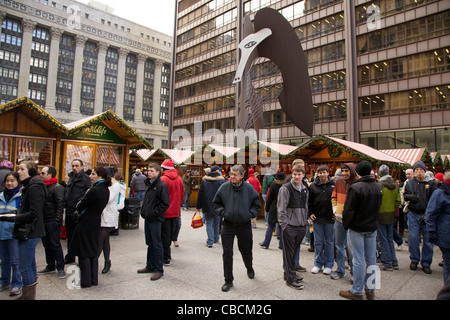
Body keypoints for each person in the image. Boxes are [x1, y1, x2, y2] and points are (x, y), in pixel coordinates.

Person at [0, 160, 46, 300]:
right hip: (30, 230)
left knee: (24, 266)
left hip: (30, 231)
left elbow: (34, 213)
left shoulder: (34, 187)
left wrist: (13, 218)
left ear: (31, 171)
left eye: (21, 169)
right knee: (29, 265)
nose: (18, 172)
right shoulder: (31, 185)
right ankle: (28, 294)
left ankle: (28, 296)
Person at [213, 165, 261, 292]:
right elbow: (216, 203)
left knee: (246, 251)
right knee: (227, 253)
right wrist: (224, 212)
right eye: (231, 174)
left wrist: (249, 214)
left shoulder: (249, 188)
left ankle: (249, 267)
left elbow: (257, 205)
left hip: (244, 225)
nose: (232, 177)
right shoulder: (224, 187)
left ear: (241, 175)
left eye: (235, 174)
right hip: (228, 225)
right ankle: (228, 280)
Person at [339, 161, 382, 300]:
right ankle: (370, 289)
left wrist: (346, 223)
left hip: (357, 227)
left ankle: (357, 290)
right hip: (371, 226)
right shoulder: (378, 187)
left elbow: (349, 209)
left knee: (358, 258)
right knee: (371, 258)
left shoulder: (356, 188)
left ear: (356, 172)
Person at [70, 167, 110, 288]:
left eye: (93, 174)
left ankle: (85, 281)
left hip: (86, 222)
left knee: (84, 252)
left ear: (100, 176)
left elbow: (81, 206)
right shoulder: (105, 190)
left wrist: (80, 203)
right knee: (92, 250)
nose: (90, 176)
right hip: (96, 221)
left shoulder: (94, 190)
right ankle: (93, 279)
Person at [277, 164, 309, 290]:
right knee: (288, 253)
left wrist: (305, 220)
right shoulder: (285, 188)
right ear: (292, 174)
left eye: (299, 174)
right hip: (290, 226)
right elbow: (281, 208)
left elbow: (305, 206)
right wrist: (284, 225)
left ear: (303, 175)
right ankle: (290, 278)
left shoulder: (305, 189)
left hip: (301, 225)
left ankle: (289, 274)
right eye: (294, 174)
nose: (296, 176)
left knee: (293, 252)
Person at [404, 160, 438, 274]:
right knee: (413, 237)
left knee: (428, 240)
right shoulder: (410, 183)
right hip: (413, 213)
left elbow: (434, 200)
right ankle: (414, 259)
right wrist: (409, 196)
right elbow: (405, 195)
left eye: (421, 170)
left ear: (424, 171)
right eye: (417, 170)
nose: (419, 172)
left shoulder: (431, 183)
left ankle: (426, 263)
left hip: (427, 214)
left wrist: (428, 213)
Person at [137, 163, 170, 281]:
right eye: (148, 170)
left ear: (158, 172)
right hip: (148, 218)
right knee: (150, 243)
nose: (149, 172)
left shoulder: (161, 185)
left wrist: (154, 213)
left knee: (157, 244)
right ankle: (150, 265)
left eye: (151, 170)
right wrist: (145, 211)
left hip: (155, 220)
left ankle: (158, 269)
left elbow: (165, 203)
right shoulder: (149, 184)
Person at [37, 166, 66, 279]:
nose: (41, 175)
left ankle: (60, 267)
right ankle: (50, 265)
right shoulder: (42, 187)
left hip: (52, 220)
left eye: (43, 173)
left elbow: (60, 205)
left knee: (55, 244)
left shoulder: (57, 188)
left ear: (50, 175)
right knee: (46, 244)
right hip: (43, 220)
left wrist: (57, 221)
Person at [331, 163, 356, 280]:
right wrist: (335, 210)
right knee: (339, 245)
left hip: (352, 221)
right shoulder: (338, 182)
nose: (344, 173)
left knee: (351, 248)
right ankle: (340, 270)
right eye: (343, 171)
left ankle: (354, 272)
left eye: (347, 171)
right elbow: (333, 197)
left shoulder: (357, 183)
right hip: (339, 219)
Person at [308, 165, 335, 275]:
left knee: (329, 242)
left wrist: (336, 214)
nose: (322, 174)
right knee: (318, 242)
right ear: (317, 173)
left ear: (328, 173)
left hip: (330, 219)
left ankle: (329, 264)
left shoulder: (334, 185)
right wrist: (310, 213)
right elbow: (309, 202)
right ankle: (317, 263)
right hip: (317, 218)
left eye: (324, 172)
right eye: (320, 172)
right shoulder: (313, 186)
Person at [425, 169, 450, 284]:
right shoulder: (439, 193)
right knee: (448, 264)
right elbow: (430, 214)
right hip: (446, 235)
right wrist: (431, 231)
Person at [64, 159, 91, 264]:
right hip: (69, 210)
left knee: (79, 236)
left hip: (78, 212)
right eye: (73, 165)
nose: (74, 168)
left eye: (77, 165)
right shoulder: (71, 177)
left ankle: (81, 257)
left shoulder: (86, 179)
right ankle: (70, 255)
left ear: (82, 166)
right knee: (69, 235)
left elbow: (88, 194)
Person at [0, 172, 22, 296]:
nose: (9, 183)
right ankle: (4, 281)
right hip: (2, 232)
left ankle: (17, 283)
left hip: (14, 233)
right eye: (7, 181)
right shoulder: (1, 196)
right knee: (4, 260)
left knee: (15, 260)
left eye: (12, 180)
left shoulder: (21, 196)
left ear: (17, 182)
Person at [377, 164, 401, 271]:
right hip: (391, 214)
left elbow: (376, 201)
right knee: (390, 239)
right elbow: (398, 202)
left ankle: (387, 262)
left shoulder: (379, 185)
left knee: (383, 239)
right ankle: (394, 261)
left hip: (381, 214)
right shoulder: (394, 186)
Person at [97, 166, 121, 274]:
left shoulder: (115, 185)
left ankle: (92, 259)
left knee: (100, 239)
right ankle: (107, 262)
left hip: (109, 216)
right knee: (105, 240)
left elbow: (108, 198)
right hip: (101, 214)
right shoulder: (102, 184)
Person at [160, 159, 183, 266]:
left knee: (164, 235)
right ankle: (167, 254)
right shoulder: (179, 179)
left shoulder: (163, 179)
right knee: (169, 234)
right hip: (175, 211)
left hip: (165, 212)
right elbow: (182, 195)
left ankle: (166, 257)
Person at [196, 165, 225, 248]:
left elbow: (200, 195)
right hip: (218, 206)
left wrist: (198, 206)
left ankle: (210, 241)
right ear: (216, 171)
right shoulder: (221, 181)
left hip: (207, 205)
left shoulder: (204, 181)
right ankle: (216, 238)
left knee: (209, 223)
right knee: (217, 222)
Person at [260, 172, 285, 249]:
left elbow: (269, 198)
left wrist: (267, 208)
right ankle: (281, 244)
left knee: (270, 226)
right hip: (282, 208)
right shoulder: (285, 186)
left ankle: (266, 243)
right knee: (281, 227)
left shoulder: (273, 185)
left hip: (273, 208)